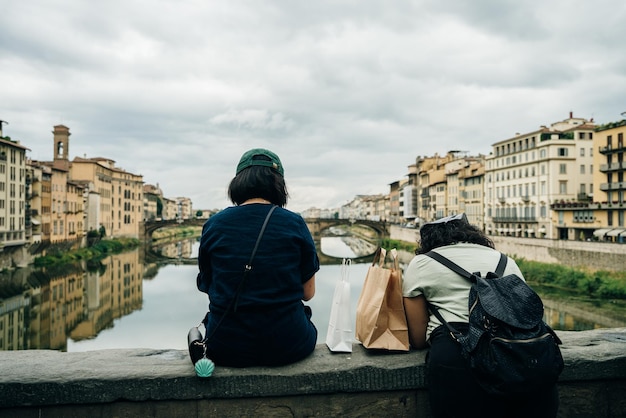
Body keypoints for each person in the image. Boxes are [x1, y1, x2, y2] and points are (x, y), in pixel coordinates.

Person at [402, 213, 559, 418]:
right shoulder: (505, 260)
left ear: (428, 240)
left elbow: (418, 338)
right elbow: (527, 314)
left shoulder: (421, 263)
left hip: (456, 358)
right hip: (522, 358)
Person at [196, 148, 319, 367]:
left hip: (226, 347)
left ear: (238, 183)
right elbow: (308, 293)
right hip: (290, 345)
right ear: (279, 186)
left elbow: (207, 286)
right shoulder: (295, 224)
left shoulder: (214, 225)